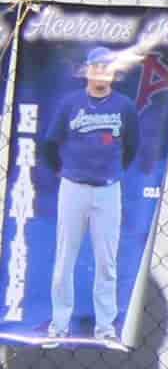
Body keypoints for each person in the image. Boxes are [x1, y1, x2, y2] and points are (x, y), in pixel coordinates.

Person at [35, 48, 138, 341]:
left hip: (108, 190)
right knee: (65, 257)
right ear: (88, 70)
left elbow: (131, 147)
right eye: (97, 66)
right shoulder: (71, 104)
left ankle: (105, 327)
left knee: (107, 261)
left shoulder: (124, 106)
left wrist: (113, 171)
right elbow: (50, 144)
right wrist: (63, 172)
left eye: (107, 66)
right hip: (73, 188)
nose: (101, 71)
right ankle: (59, 325)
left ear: (114, 73)